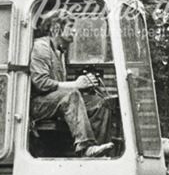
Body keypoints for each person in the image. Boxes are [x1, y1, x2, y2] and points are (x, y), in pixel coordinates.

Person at [30, 10, 114, 158]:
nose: (74, 30)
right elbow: (41, 83)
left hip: (55, 101)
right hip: (37, 105)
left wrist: (84, 84)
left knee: (100, 103)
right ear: (56, 28)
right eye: (70, 26)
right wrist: (75, 84)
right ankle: (85, 146)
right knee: (72, 94)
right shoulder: (41, 47)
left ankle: (98, 153)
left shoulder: (60, 51)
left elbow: (60, 87)